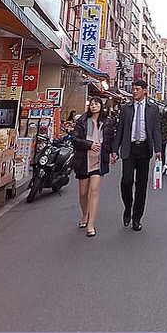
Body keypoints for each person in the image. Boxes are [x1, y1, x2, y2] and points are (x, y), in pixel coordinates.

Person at [112, 79, 161, 231]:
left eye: (137, 89)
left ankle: (136, 217)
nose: (134, 92)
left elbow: (156, 131)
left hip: (144, 149)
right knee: (126, 181)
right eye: (133, 89)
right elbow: (120, 130)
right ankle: (128, 206)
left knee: (141, 185)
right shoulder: (125, 108)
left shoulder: (153, 108)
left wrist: (158, 149)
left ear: (144, 90)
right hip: (129, 148)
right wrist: (114, 150)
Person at [70, 97, 113, 238]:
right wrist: (89, 144)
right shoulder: (82, 121)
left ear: (101, 106)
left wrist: (113, 153)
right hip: (83, 159)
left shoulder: (107, 122)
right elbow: (74, 139)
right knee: (83, 193)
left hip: (99, 161)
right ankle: (85, 214)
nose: (94, 106)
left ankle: (91, 225)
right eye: (92, 104)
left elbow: (110, 140)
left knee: (94, 191)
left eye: (97, 104)